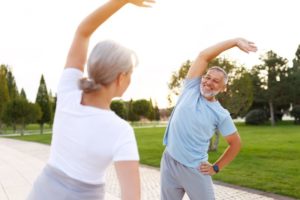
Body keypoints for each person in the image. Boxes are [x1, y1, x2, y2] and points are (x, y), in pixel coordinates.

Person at [27, 0, 155, 200]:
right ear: (121, 77)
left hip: (42, 191)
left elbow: (83, 31)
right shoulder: (121, 131)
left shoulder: (69, 90)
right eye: (130, 74)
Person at [160, 38, 257, 200]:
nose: (209, 82)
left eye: (215, 81)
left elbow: (236, 143)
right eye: (207, 77)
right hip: (169, 161)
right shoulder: (191, 87)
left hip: (195, 169)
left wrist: (216, 167)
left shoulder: (221, 114)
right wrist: (234, 42)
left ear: (223, 88)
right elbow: (203, 56)